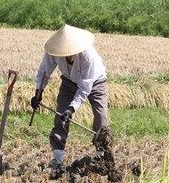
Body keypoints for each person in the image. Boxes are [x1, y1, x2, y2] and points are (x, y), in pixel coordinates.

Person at [30, 24, 110, 174]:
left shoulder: (88, 57)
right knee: (60, 116)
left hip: (95, 82)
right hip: (68, 81)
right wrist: (38, 94)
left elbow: (85, 89)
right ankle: (58, 157)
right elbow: (44, 72)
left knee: (101, 116)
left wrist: (71, 109)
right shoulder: (54, 51)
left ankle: (102, 156)